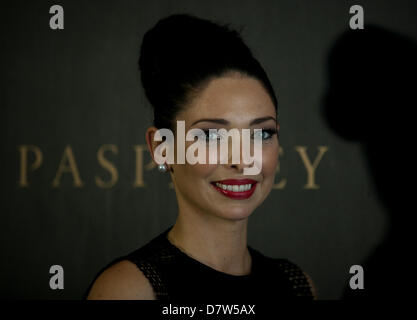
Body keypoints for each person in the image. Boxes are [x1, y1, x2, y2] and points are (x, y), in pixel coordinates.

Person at [86, 13, 316, 300]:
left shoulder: (296, 285)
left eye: (261, 133)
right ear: (162, 147)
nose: (243, 160)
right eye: (211, 135)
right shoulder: (129, 290)